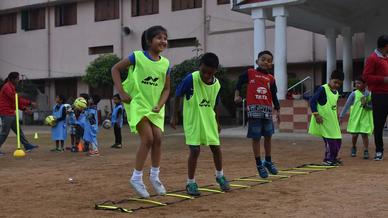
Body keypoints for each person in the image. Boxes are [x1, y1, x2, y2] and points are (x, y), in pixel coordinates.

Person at [111, 26, 170, 198]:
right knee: (148, 138)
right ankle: (136, 177)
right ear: (148, 41)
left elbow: (166, 89)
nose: (163, 41)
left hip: (155, 107)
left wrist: (160, 104)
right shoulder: (136, 57)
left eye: (165, 38)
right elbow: (114, 69)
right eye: (159, 37)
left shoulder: (165, 63)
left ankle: (154, 176)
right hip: (137, 104)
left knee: (158, 138)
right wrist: (121, 92)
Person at [171, 53, 230, 196]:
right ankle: (190, 183)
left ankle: (220, 175)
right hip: (193, 120)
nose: (206, 75)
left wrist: (217, 121)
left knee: (216, 148)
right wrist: (175, 115)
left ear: (215, 71)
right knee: (195, 150)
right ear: (199, 67)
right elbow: (178, 94)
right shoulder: (191, 78)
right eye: (203, 71)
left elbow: (214, 104)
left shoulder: (216, 84)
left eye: (210, 72)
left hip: (209, 119)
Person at [234, 50, 280, 178]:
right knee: (256, 138)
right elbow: (239, 82)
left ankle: (268, 161)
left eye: (269, 61)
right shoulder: (250, 73)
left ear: (271, 64)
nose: (266, 62)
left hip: (267, 111)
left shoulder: (271, 78)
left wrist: (278, 108)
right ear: (257, 61)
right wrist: (237, 95)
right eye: (263, 59)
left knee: (269, 136)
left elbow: (274, 95)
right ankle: (259, 164)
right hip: (254, 111)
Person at [309, 70, 344, 166]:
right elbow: (312, 101)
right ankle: (328, 159)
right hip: (323, 120)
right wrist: (316, 115)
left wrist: (337, 117)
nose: (337, 85)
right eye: (335, 82)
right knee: (331, 142)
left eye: (339, 84)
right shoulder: (322, 89)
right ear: (330, 79)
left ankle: (333, 158)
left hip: (333, 122)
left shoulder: (336, 92)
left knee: (338, 141)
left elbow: (334, 106)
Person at [0, 72, 38, 156]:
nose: (19, 80)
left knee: (19, 131)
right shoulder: (7, 87)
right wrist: (29, 103)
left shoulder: (11, 87)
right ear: (12, 79)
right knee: (4, 133)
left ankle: (27, 146)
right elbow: (16, 99)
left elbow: (15, 102)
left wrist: (24, 109)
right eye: (17, 78)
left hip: (11, 112)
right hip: (6, 113)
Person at [362, 35, 388, 161]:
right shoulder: (372, 58)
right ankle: (379, 151)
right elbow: (366, 76)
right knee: (379, 124)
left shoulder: (386, 58)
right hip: (379, 95)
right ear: (386, 46)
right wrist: (383, 79)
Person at [339, 77, 373, 159]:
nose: (357, 85)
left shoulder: (369, 94)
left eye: (359, 83)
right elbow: (347, 105)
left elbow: (372, 107)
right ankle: (354, 147)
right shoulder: (353, 94)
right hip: (355, 117)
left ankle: (366, 150)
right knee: (354, 135)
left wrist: (365, 105)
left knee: (364, 135)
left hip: (365, 118)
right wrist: (341, 116)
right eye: (356, 83)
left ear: (365, 84)